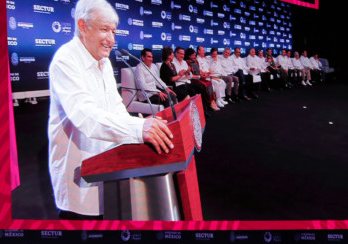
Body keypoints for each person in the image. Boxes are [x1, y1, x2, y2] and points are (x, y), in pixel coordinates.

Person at [48, 0, 173, 220]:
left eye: (114, 31)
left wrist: (137, 130)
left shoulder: (103, 61)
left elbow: (116, 108)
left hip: (109, 170)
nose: (111, 39)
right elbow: (85, 116)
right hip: (78, 180)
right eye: (104, 29)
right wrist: (138, 128)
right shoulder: (65, 60)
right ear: (82, 26)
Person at [184, 47, 220, 112]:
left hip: (199, 77)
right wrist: (200, 76)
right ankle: (206, 105)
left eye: (195, 55)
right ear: (189, 55)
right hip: (193, 79)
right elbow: (190, 75)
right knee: (204, 85)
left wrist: (203, 74)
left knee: (209, 83)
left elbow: (198, 70)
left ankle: (211, 102)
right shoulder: (187, 62)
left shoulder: (195, 61)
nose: (194, 56)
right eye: (193, 55)